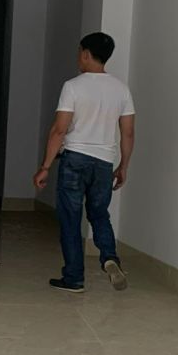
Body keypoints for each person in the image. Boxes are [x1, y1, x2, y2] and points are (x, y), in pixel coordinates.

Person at [33, 31, 135, 293]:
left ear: (87, 54)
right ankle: (110, 258)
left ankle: (74, 278)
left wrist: (45, 167)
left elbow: (59, 130)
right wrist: (123, 166)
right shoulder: (121, 89)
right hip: (104, 163)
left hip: (75, 160)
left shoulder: (73, 86)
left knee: (70, 218)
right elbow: (127, 133)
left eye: (79, 52)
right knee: (99, 214)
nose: (78, 57)